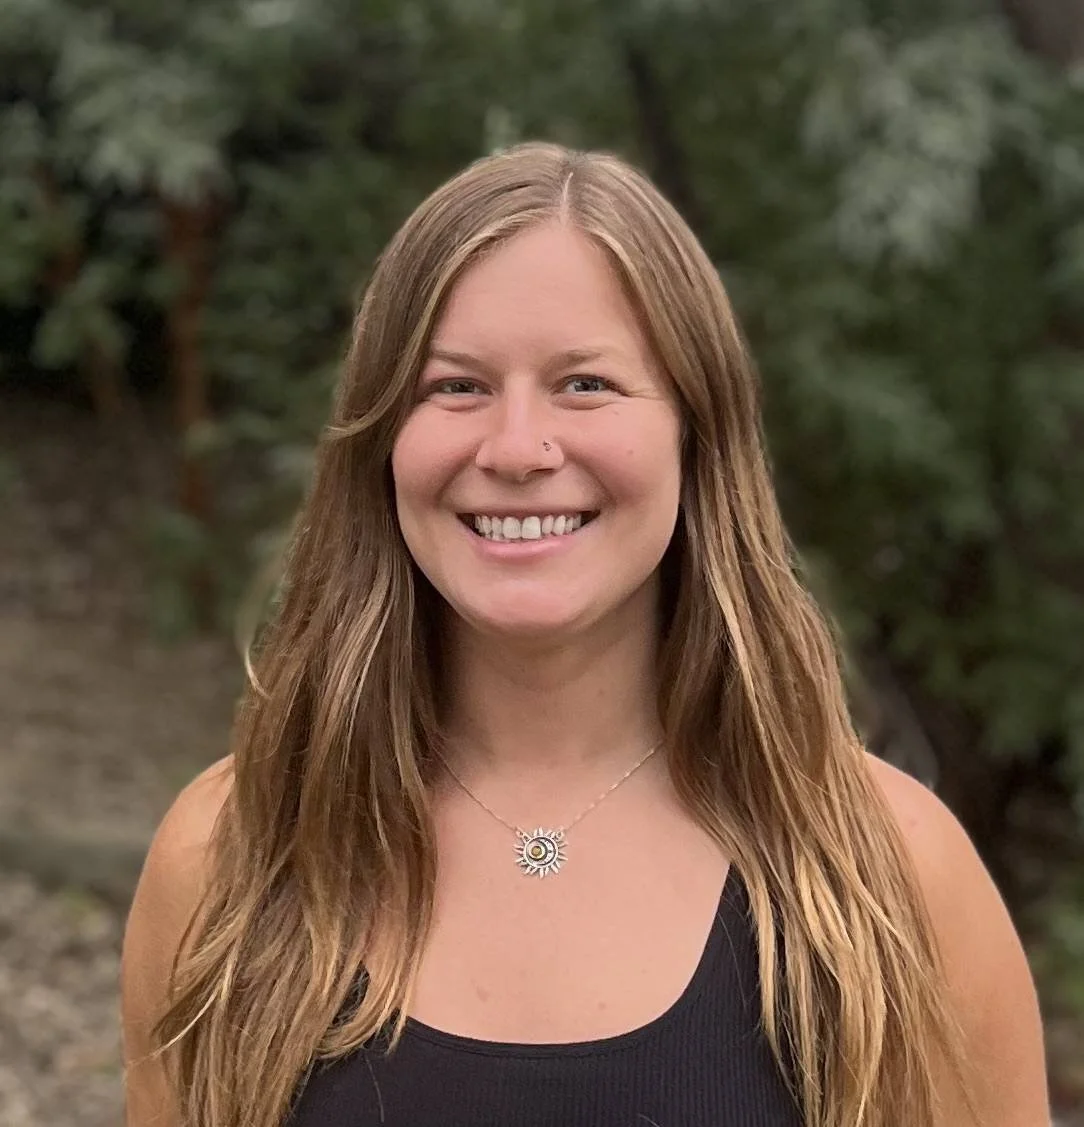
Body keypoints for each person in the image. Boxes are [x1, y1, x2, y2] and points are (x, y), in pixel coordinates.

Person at [120, 142, 1050, 1127]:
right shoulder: (232, 854)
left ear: (698, 435)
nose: (518, 448)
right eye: (456, 386)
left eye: (585, 384)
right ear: (381, 435)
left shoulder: (889, 876)